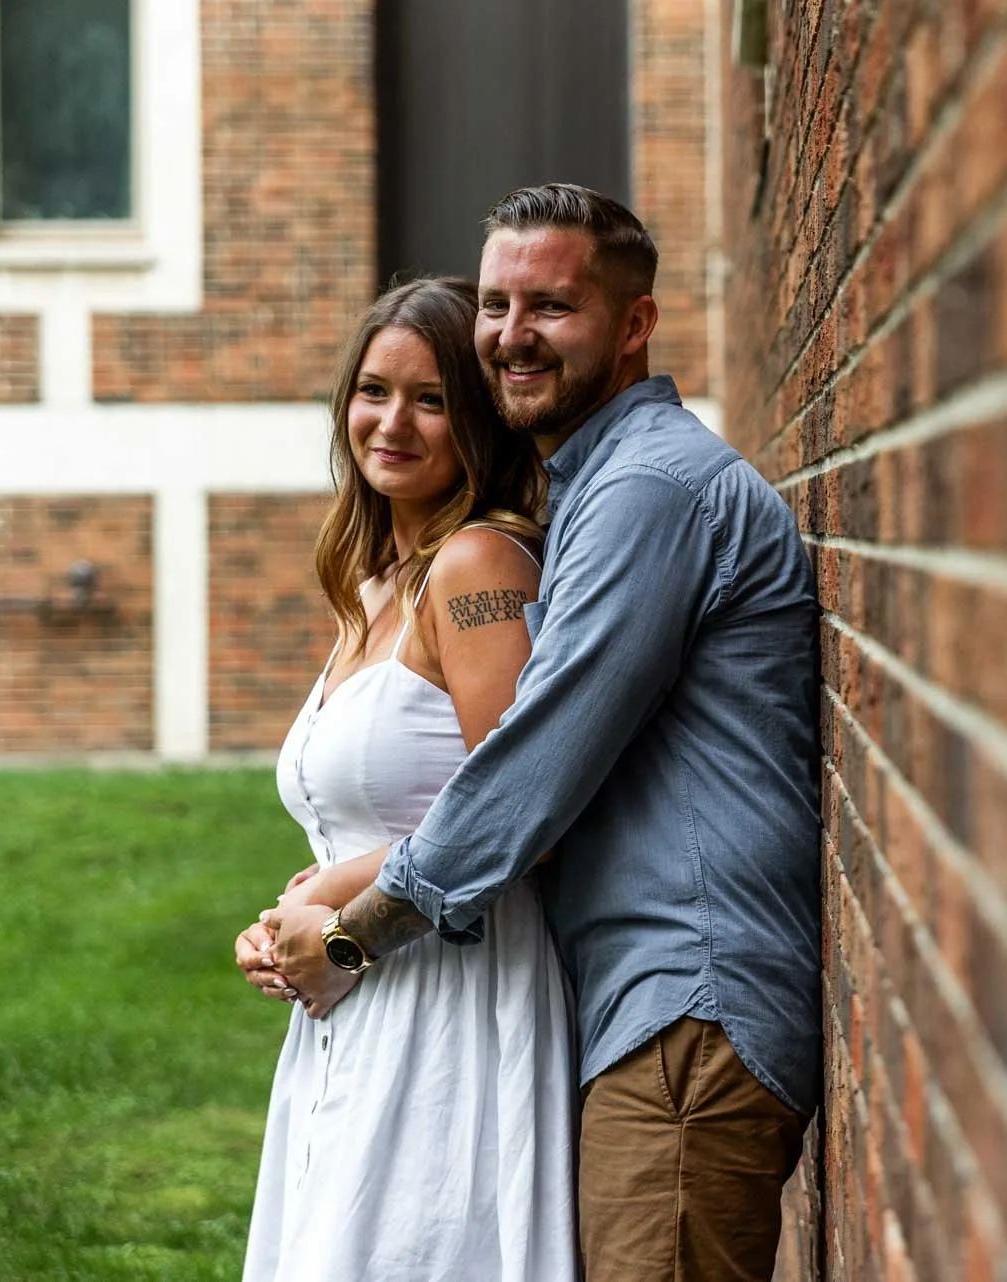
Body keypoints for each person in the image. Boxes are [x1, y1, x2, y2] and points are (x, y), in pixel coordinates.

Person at [266, 184, 822, 1280]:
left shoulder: (647, 489)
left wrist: (349, 934)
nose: (512, 334)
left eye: (551, 306)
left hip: (686, 1001)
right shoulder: (598, 488)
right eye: (498, 304)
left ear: (633, 324)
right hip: (641, 1006)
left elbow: (530, 767)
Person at [233, 276, 578, 1281]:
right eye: (374, 390)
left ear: (475, 421)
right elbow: (370, 813)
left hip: (454, 996)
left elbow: (523, 808)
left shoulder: (476, 566)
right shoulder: (380, 580)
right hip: (359, 994)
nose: (393, 421)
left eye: (431, 399)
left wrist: (335, 900)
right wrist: (287, 921)